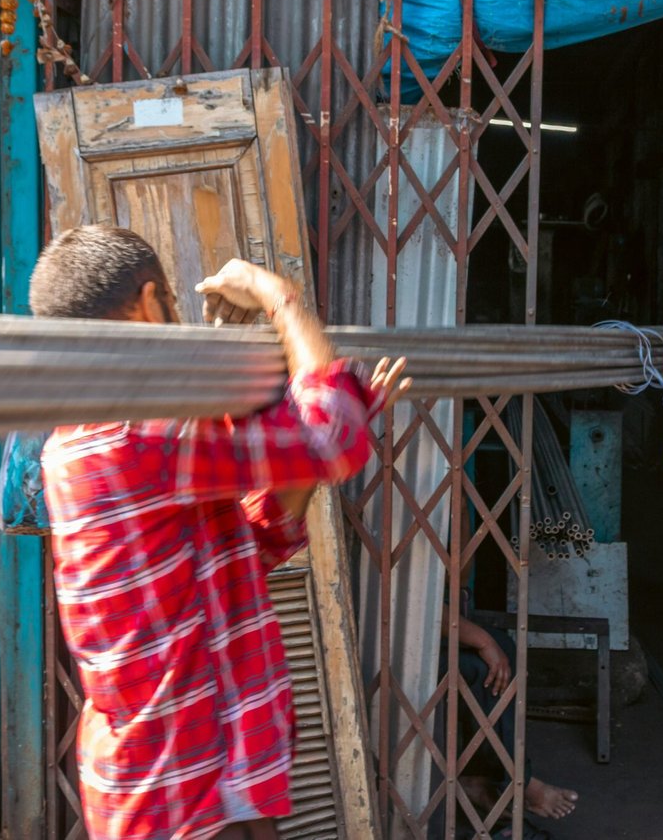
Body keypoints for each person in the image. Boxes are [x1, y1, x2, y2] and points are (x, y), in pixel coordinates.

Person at [30, 226, 409, 840]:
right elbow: (330, 437)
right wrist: (278, 295)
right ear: (151, 303)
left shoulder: (78, 437)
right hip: (176, 782)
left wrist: (319, 440)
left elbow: (241, 551)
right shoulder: (142, 433)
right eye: (173, 308)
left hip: (200, 769)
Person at [435, 603, 579, 836]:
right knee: (482, 669)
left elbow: (453, 584)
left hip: (422, 631)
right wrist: (483, 642)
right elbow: (418, 602)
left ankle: (479, 778)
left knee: (503, 646)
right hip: (392, 645)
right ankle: (518, 780)